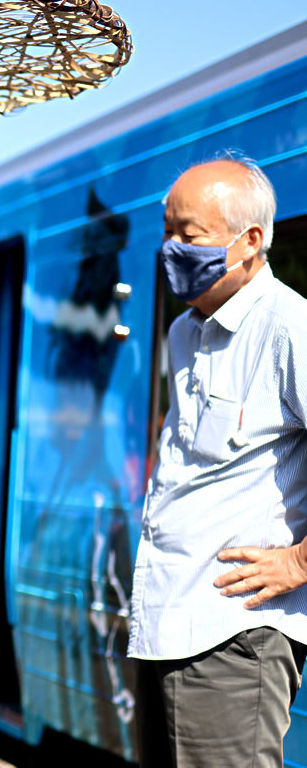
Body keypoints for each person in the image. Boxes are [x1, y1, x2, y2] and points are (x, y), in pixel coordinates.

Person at [128, 155, 307, 767]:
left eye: (189, 235)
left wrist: (299, 561)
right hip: (167, 622)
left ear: (250, 241)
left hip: (232, 635)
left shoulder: (289, 327)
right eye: (167, 231)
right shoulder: (185, 331)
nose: (170, 249)